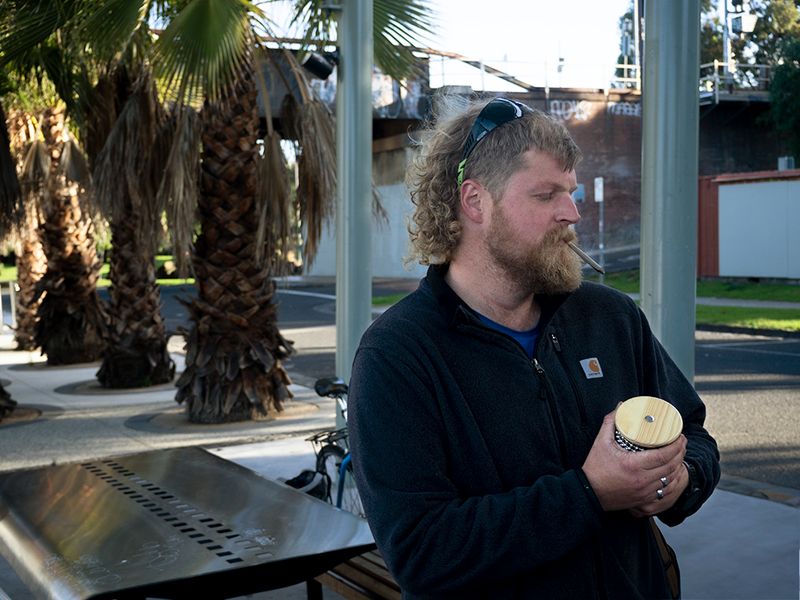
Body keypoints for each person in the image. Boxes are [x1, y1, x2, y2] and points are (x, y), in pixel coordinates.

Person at [347, 96, 720, 599]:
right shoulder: (398, 354)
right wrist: (588, 494)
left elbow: (693, 432)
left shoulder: (609, 316)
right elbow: (421, 551)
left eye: (571, 191)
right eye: (546, 195)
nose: (573, 213)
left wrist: (678, 481)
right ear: (475, 201)